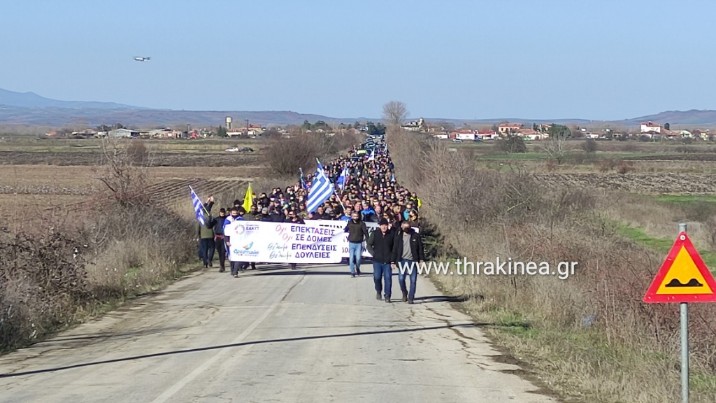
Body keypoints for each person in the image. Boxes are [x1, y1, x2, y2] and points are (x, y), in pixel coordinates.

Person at [392, 220, 425, 304]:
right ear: (402, 227)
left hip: (413, 261)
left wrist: (421, 260)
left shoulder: (415, 236)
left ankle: (411, 298)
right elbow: (395, 249)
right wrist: (393, 261)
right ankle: (404, 292)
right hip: (402, 260)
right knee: (401, 279)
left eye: (408, 227)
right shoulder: (398, 237)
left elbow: (420, 248)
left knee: (413, 280)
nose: (406, 229)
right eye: (405, 227)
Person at [367, 218, 396, 303]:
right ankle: (378, 291)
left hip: (388, 261)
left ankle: (387, 296)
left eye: (385, 225)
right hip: (377, 260)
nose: (384, 227)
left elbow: (395, 248)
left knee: (388, 278)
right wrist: (373, 253)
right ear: (379, 226)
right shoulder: (375, 234)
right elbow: (369, 244)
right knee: (377, 277)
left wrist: (393, 260)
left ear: (388, 226)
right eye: (382, 225)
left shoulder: (392, 234)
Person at [344, 211, 368, 277]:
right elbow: (345, 229)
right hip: (351, 242)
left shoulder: (362, 223)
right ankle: (352, 272)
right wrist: (346, 228)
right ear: (351, 217)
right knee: (351, 259)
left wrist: (368, 240)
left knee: (358, 258)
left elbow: (365, 232)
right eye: (354, 216)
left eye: (356, 216)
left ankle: (357, 268)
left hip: (359, 243)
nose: (355, 217)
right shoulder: (350, 223)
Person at [197, 196, 215, 268]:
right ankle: (210, 259)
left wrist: (207, 201)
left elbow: (198, 228)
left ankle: (205, 262)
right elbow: (214, 226)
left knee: (204, 249)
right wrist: (211, 202)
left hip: (203, 236)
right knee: (212, 248)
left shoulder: (200, 218)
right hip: (210, 235)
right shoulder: (211, 217)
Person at [208, 207, 227, 272]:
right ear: (219, 213)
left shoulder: (227, 219)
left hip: (225, 237)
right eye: (221, 212)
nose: (222, 214)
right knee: (220, 252)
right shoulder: (216, 219)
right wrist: (209, 219)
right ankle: (221, 265)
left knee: (223, 252)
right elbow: (209, 226)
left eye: (223, 212)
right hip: (218, 237)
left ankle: (222, 266)